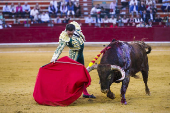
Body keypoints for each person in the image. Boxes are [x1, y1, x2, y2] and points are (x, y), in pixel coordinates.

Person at [50, 21, 96, 98]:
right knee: (71, 74)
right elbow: (60, 48)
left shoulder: (76, 29)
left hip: (80, 53)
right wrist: (54, 58)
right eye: (69, 34)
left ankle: (85, 92)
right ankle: (65, 92)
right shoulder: (64, 36)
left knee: (83, 73)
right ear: (66, 31)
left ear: (74, 30)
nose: (70, 36)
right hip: (74, 54)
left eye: (71, 33)